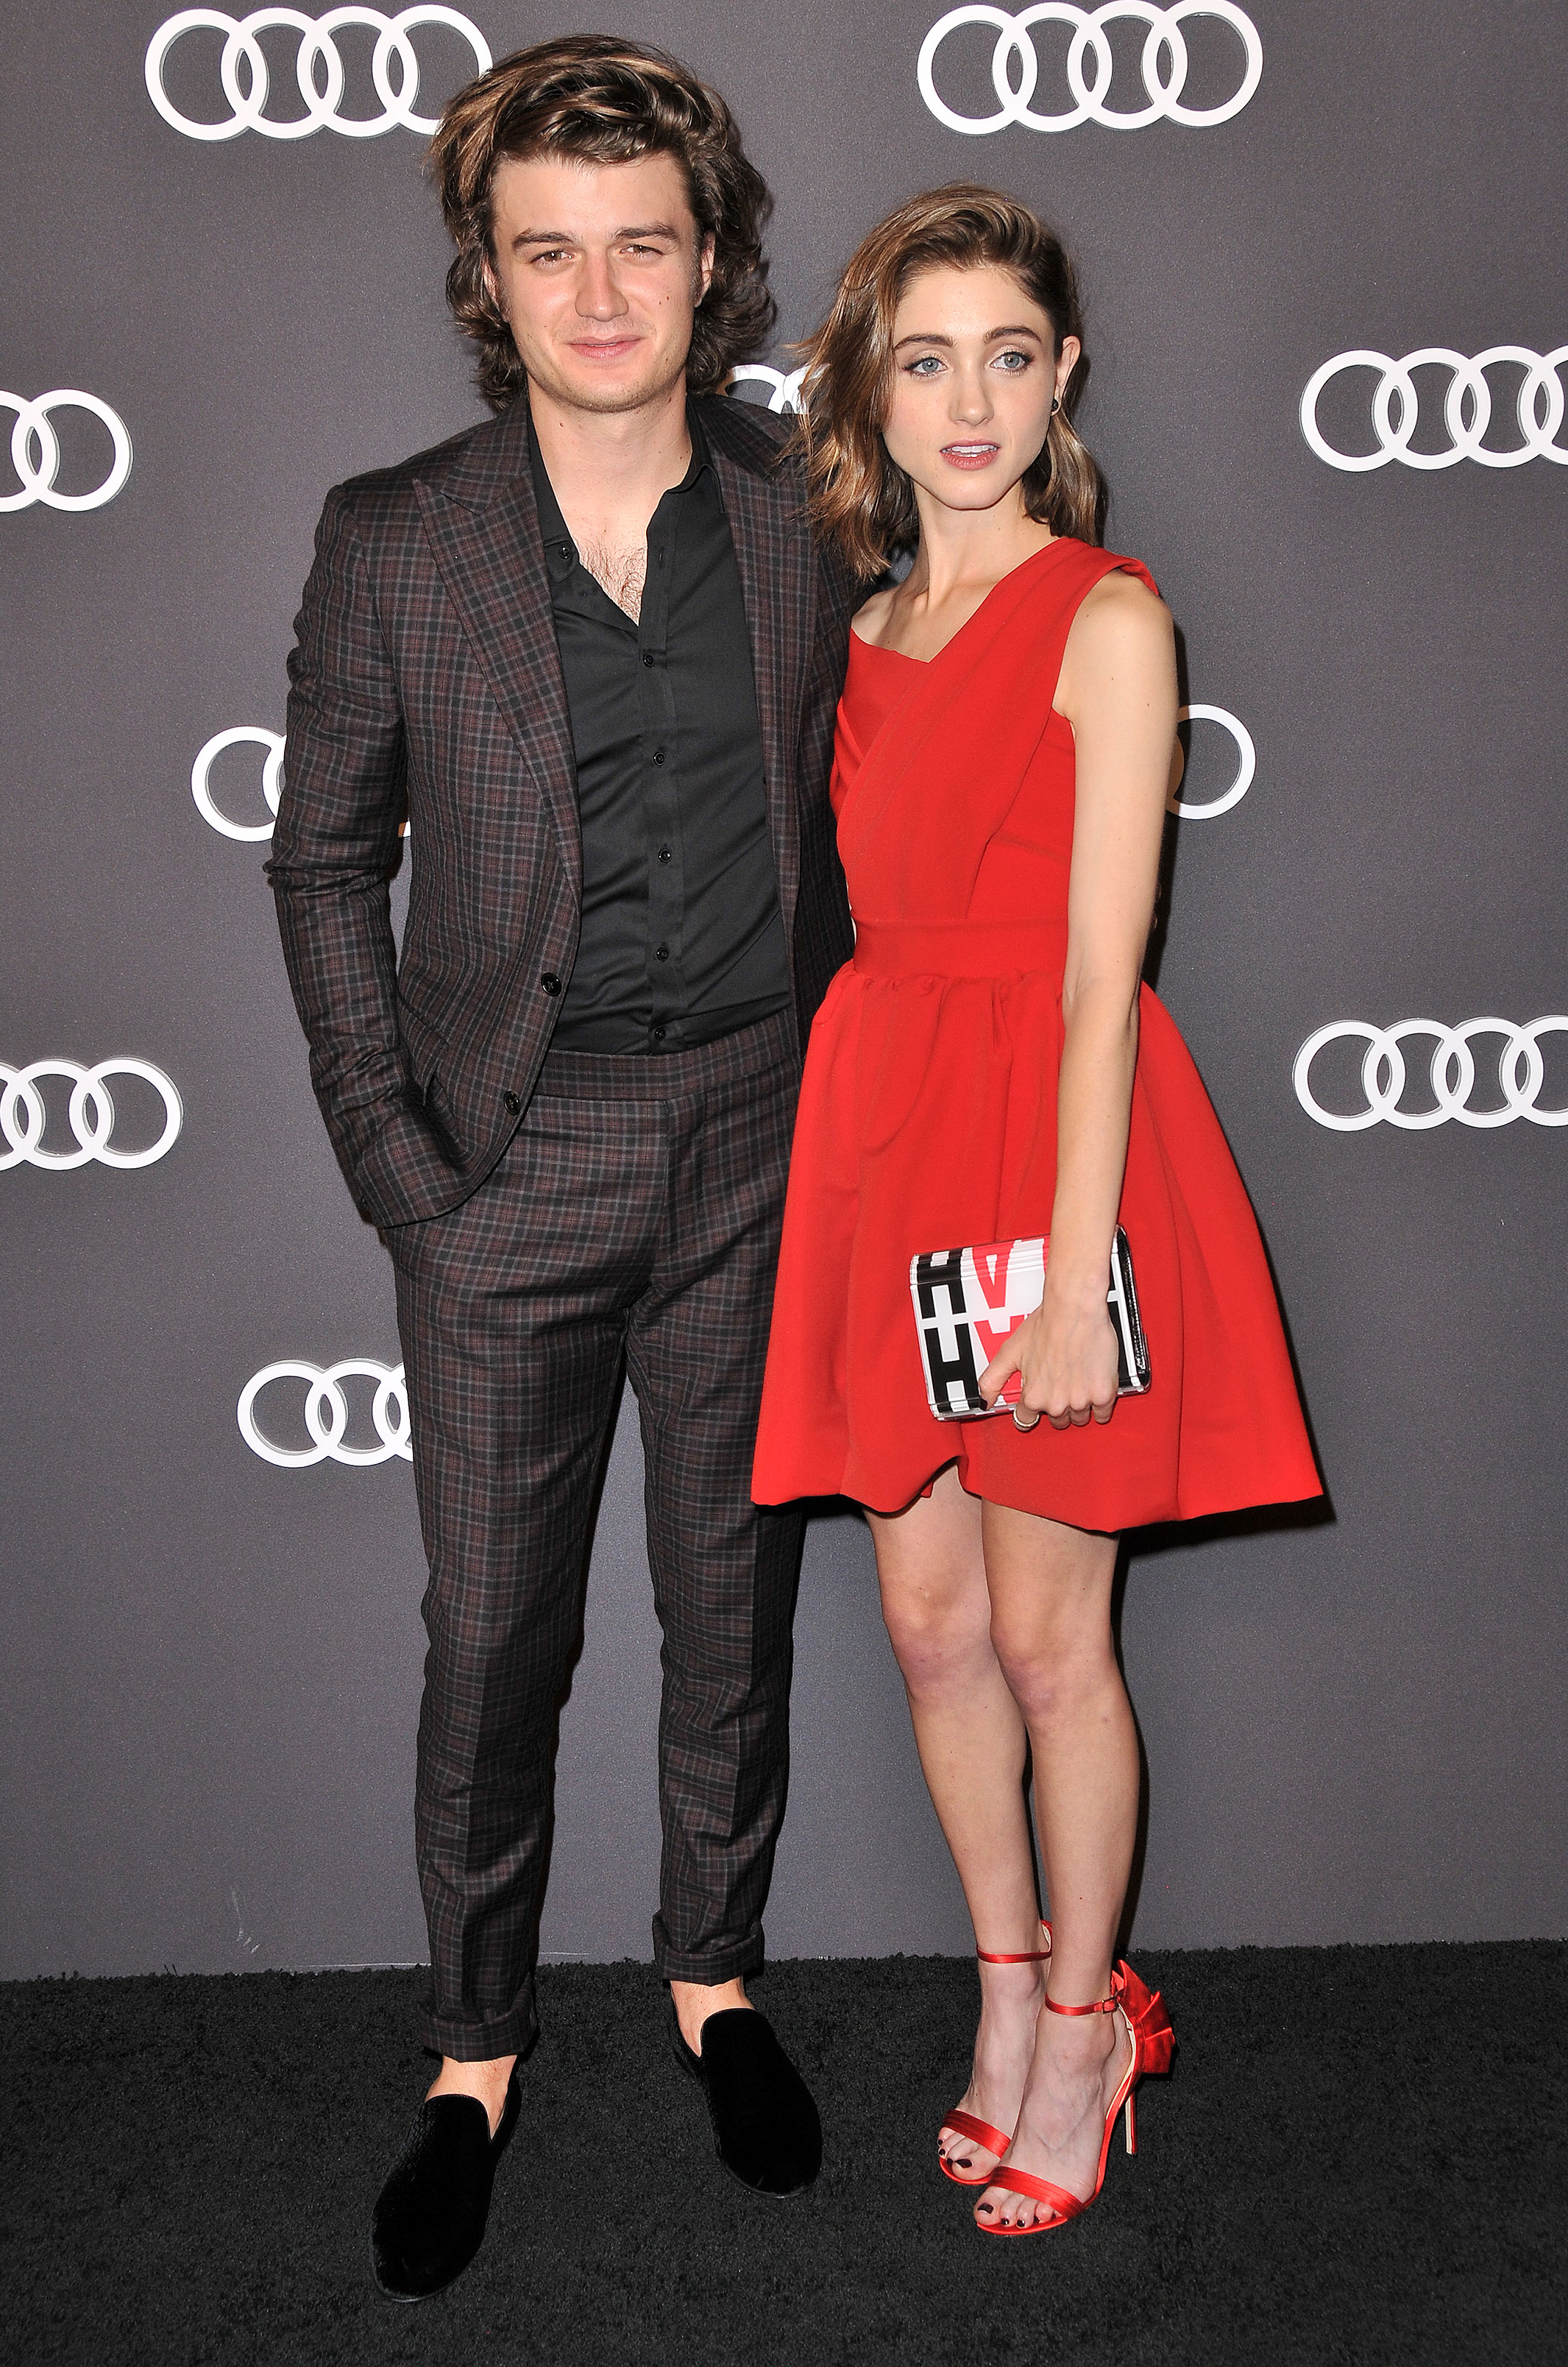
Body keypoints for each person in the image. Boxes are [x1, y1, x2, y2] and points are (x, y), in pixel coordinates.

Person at [267, 36, 856, 2300]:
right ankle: (474, 2047)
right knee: (497, 1640)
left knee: (731, 1612)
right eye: (548, 252)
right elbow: (324, 867)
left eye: (640, 246)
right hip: (505, 1163)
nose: (598, 295)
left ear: (710, 266)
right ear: (488, 279)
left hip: (759, 1144)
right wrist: (399, 1167)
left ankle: (714, 1980)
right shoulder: (393, 534)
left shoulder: (810, 513)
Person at [753, 186, 1322, 2236]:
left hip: (1051, 1153)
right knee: (928, 1630)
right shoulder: (863, 631)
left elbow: (1104, 977)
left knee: (1046, 1636)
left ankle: (1090, 2028)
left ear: (1064, 374)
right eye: (927, 362)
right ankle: (1007, 1996)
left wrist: (1078, 1282)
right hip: (891, 1134)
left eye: (1010, 355)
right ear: (871, 394)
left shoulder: (1109, 619)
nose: (971, 401)